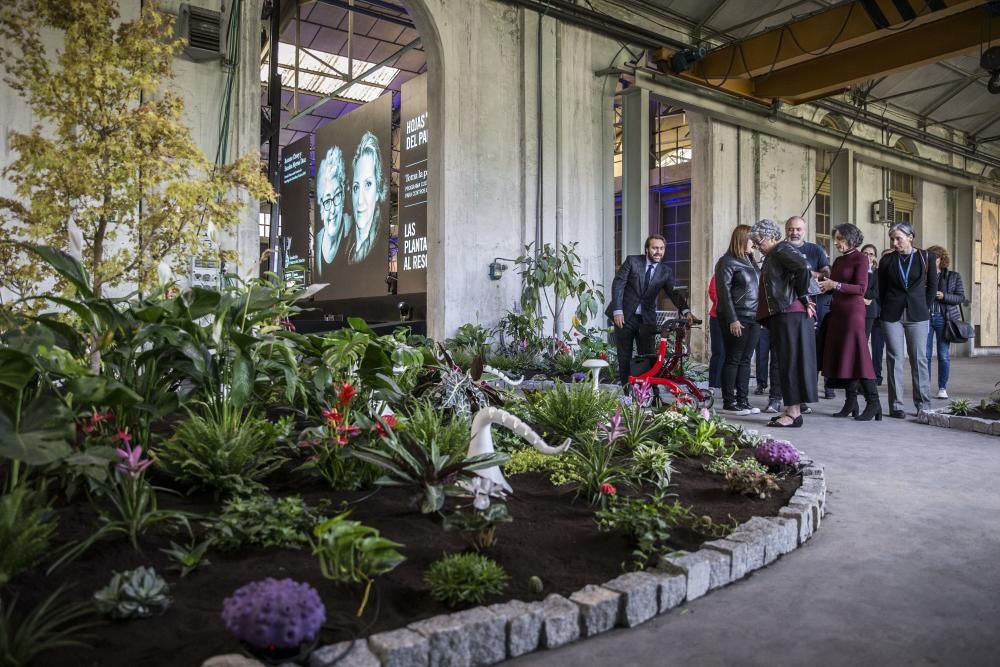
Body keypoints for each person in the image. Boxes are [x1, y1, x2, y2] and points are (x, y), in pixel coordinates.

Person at [750, 219, 818, 427]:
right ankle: (791, 410)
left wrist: (804, 296)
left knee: (791, 362)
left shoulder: (781, 250)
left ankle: (794, 413)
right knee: (786, 361)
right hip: (786, 314)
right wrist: (804, 297)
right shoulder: (775, 254)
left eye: (758, 241)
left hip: (791, 314)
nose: (756, 246)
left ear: (771, 237)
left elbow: (804, 268)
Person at [605, 234, 695, 386]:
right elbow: (618, 285)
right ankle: (627, 392)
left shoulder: (665, 271)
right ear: (647, 249)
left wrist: (686, 311)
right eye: (654, 248)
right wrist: (617, 311)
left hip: (646, 319)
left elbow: (672, 292)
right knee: (624, 355)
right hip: (625, 317)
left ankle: (651, 393)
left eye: (661, 248)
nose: (658, 252)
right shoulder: (632, 261)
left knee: (649, 356)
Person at [818, 225, 881, 421]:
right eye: (835, 238)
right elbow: (833, 285)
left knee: (860, 357)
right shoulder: (838, 260)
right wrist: (820, 281)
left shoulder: (860, 258)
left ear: (851, 239)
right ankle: (850, 402)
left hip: (853, 313)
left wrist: (834, 284)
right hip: (837, 312)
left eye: (839, 239)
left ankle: (873, 403)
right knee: (847, 357)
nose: (836, 242)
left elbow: (861, 288)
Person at [878, 222, 937, 418]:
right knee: (894, 358)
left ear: (910, 237)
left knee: (919, 358)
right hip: (892, 314)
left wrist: (924, 307)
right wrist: (884, 308)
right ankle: (896, 406)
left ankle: (923, 405)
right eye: (892, 239)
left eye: (899, 239)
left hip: (917, 314)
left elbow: (932, 288)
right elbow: (881, 289)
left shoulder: (927, 257)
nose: (895, 243)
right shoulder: (887, 261)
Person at [785, 216, 834, 400]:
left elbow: (827, 274)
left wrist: (808, 274)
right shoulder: (782, 249)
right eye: (791, 229)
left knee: (819, 348)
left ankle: (824, 386)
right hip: (789, 305)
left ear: (804, 230)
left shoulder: (815, 249)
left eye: (798, 229)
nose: (794, 232)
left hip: (815, 305)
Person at [715, 225, 761, 415]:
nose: (756, 243)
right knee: (733, 358)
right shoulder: (727, 262)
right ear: (743, 238)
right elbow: (723, 294)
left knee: (746, 360)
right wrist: (733, 319)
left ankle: (743, 400)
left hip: (754, 317)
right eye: (753, 239)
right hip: (737, 316)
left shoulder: (751, 261)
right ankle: (729, 401)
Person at [925, 245, 966, 399]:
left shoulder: (953, 276)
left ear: (940, 259)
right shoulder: (923, 275)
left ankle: (942, 387)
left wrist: (944, 296)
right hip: (926, 317)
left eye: (933, 257)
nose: (930, 260)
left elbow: (960, 297)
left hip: (944, 318)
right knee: (926, 355)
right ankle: (925, 387)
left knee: (943, 355)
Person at [348, 131, 388, 264]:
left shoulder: (378, 248)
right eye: (356, 187)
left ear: (378, 191)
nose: (360, 200)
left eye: (368, 184)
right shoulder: (347, 249)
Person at [315, 146, 351, 274]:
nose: (332, 210)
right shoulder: (317, 241)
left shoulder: (353, 232)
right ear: (321, 208)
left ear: (343, 198)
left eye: (337, 196)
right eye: (327, 201)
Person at [861, 244, 883, 384]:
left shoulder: (876, 272)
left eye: (871, 254)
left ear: (874, 257)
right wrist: (861, 297)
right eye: (865, 253)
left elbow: (876, 291)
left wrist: (865, 296)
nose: (868, 256)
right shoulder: (856, 269)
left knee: (863, 343)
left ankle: (866, 378)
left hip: (869, 312)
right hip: (854, 309)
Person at [707, 274, 724, 392]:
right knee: (718, 351)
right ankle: (713, 383)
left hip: (738, 318)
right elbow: (712, 291)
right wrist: (727, 307)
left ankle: (727, 383)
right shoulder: (720, 272)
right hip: (718, 317)